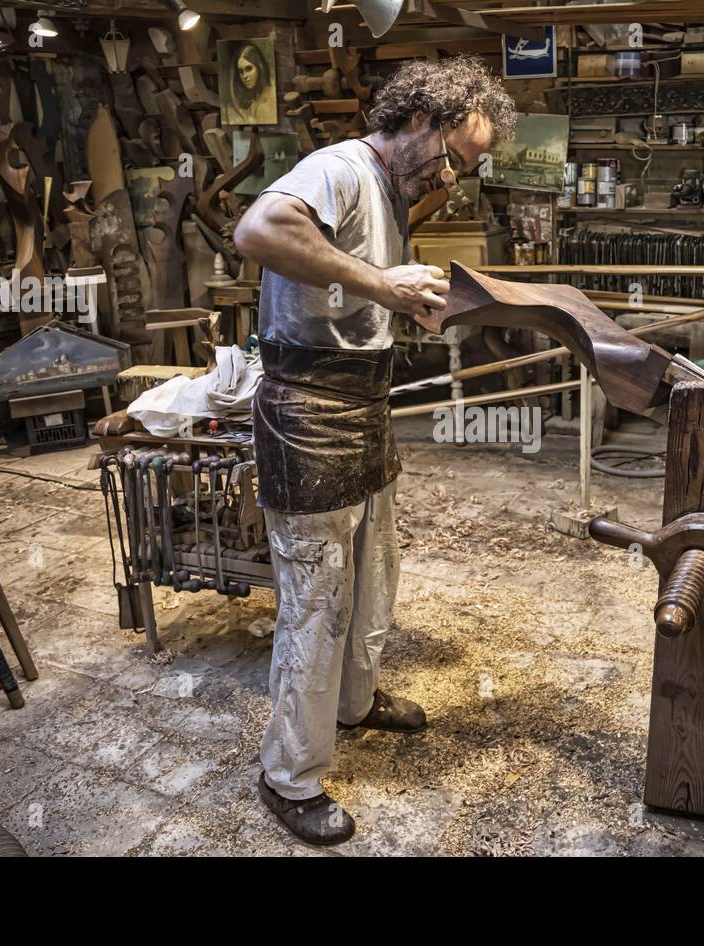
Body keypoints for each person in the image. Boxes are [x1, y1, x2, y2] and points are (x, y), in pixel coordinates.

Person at [233, 56, 516, 845]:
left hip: (364, 402)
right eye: (456, 157)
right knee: (317, 600)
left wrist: (407, 276)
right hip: (310, 407)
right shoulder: (342, 167)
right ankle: (287, 777)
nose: (457, 174)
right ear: (420, 120)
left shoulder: (390, 194)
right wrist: (386, 287)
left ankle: (355, 703)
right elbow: (258, 229)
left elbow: (358, 270)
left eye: (469, 167)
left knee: (373, 573)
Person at [223, 42, 276, 126]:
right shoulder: (246, 102)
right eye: (241, 71)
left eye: (249, 69)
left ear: (259, 67)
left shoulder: (272, 96)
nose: (244, 76)